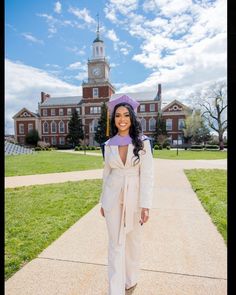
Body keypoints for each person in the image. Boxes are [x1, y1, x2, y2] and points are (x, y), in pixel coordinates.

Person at [99, 94, 154, 295]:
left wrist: (145, 205)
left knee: (132, 240)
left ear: (132, 118)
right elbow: (106, 175)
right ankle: (115, 288)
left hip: (135, 196)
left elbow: (148, 175)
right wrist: (102, 202)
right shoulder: (108, 144)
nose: (121, 119)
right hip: (112, 198)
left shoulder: (143, 142)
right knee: (115, 243)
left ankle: (130, 278)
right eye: (117, 116)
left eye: (125, 115)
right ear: (113, 120)